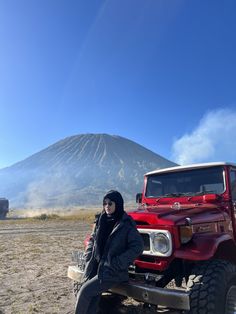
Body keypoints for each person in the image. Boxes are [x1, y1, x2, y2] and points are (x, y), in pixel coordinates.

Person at [75, 190, 144, 314]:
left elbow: (138, 247)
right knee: (93, 298)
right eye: (105, 203)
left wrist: (117, 262)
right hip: (95, 266)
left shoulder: (126, 224)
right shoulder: (102, 220)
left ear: (117, 204)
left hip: (112, 271)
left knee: (84, 292)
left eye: (110, 203)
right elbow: (92, 239)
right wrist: (88, 256)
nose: (107, 206)